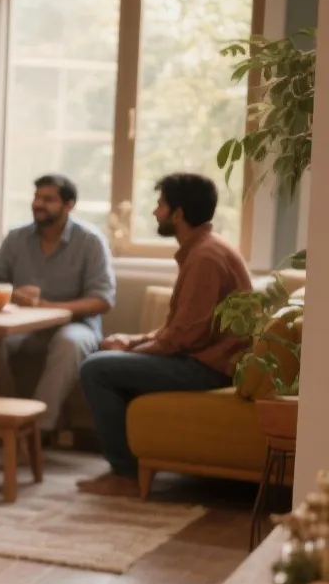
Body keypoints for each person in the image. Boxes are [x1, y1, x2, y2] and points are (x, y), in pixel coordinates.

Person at [76, 173, 252, 497]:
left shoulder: (205, 258)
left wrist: (130, 353)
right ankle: (130, 466)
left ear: (178, 214)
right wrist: (131, 341)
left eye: (160, 205)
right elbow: (180, 327)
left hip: (209, 368)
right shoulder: (203, 250)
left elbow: (185, 338)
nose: (155, 212)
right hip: (201, 359)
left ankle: (126, 475)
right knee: (109, 360)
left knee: (95, 368)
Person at [0, 174, 116, 433]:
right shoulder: (16, 237)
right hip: (21, 326)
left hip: (77, 326)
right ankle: (2, 421)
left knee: (69, 343)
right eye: (36, 197)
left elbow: (102, 300)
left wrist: (49, 307)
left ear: (69, 205)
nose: (38, 204)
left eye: (48, 199)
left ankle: (36, 430)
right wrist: (13, 294)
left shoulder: (90, 241)